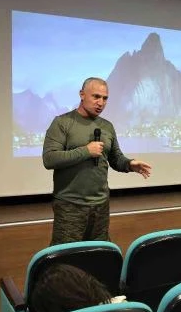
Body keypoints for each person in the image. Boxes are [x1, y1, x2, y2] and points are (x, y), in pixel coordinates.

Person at [43, 77, 152, 245]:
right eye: (96, 96)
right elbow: (49, 159)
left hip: (101, 204)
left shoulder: (107, 126)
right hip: (70, 205)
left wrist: (129, 164)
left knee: (98, 253)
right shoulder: (62, 122)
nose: (100, 103)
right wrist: (86, 151)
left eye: (105, 98)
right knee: (66, 256)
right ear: (82, 94)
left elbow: (115, 158)